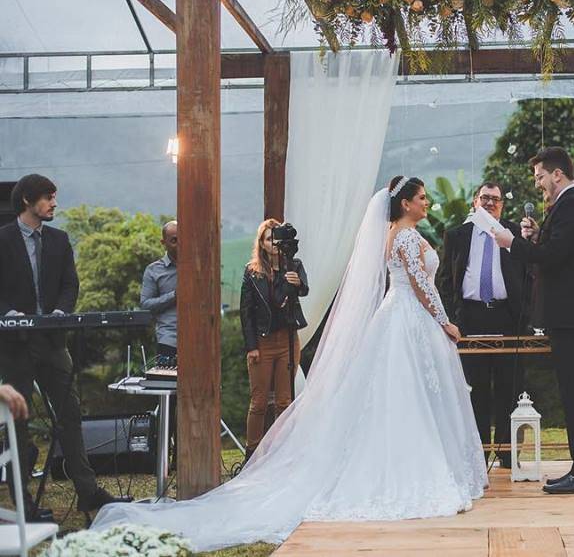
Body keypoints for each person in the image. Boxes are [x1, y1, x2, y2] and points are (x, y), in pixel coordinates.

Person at [92, 177, 487, 551]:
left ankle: (409, 461)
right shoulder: (404, 237)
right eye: (421, 198)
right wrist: (445, 322)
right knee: (404, 394)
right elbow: (422, 286)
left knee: (398, 396)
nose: (426, 203)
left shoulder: (392, 236)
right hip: (408, 318)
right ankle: (409, 472)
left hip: (398, 317)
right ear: (405, 203)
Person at [0, 174, 129, 519]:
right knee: (19, 419)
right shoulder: (3, 239)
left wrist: (60, 313)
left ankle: (88, 491)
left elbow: (70, 283)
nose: (54, 203)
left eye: (54, 197)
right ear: (27, 200)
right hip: (15, 344)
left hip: (53, 340)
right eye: (47, 197)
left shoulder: (59, 240)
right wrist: (9, 314)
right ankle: (24, 504)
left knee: (70, 414)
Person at [493, 147, 574, 495]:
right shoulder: (573, 204)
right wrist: (538, 235)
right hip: (572, 315)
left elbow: (554, 257)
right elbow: (559, 250)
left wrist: (513, 243)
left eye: (540, 176)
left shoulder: (572, 204)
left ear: (558, 174)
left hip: (573, 316)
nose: (538, 184)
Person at [437, 181, 527, 468]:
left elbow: (530, 273)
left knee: (508, 387)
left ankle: (507, 452)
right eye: (485, 198)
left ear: (502, 205)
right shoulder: (457, 235)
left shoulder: (513, 233)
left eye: (496, 199)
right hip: (471, 318)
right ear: (474, 202)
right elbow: (444, 281)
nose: (490, 203)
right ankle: (476, 454)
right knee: (474, 389)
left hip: (507, 316)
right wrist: (454, 318)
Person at [240, 219, 310, 460]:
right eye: (268, 239)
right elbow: (246, 311)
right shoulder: (252, 271)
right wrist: (251, 347)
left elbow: (304, 290)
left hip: (288, 340)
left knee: (284, 400)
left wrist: (297, 281)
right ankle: (252, 452)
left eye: (276, 238)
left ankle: (282, 452)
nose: (273, 243)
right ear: (261, 243)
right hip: (262, 342)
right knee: (259, 401)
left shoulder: (294, 264)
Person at [140, 220, 178, 358]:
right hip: (169, 340)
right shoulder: (153, 270)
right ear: (164, 243)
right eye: (174, 240)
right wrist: (174, 296)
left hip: (197, 339)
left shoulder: (196, 267)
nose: (180, 244)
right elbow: (145, 305)